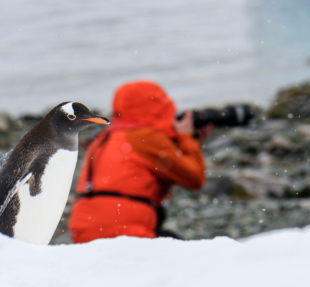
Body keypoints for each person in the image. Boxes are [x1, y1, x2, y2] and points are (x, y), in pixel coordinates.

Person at [68, 80, 211, 243]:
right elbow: (194, 178)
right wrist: (186, 137)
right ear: (159, 107)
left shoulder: (105, 137)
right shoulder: (146, 137)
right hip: (122, 232)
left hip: (85, 231)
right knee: (185, 255)